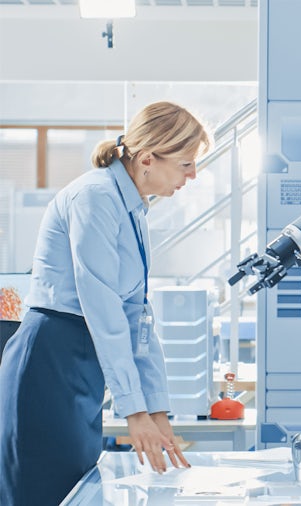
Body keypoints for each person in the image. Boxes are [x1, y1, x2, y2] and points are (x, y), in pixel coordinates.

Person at [0, 101, 210, 506]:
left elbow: (136, 317)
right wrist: (134, 413)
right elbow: (103, 309)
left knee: (74, 489)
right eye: (186, 164)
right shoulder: (95, 197)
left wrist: (157, 412)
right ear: (147, 159)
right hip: (50, 358)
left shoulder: (133, 209)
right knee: (41, 492)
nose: (193, 175)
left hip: (82, 362)